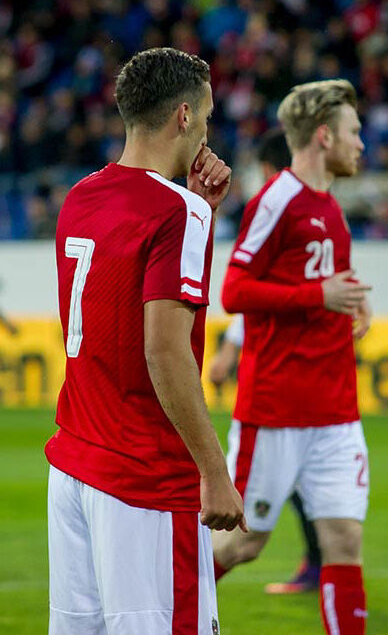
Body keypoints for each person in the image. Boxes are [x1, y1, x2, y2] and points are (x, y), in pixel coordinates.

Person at [45, 47, 246, 635]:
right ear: (184, 116)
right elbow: (163, 351)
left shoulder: (81, 196)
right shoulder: (177, 214)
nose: (208, 129)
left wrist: (197, 210)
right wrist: (214, 470)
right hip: (146, 479)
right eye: (206, 117)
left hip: (76, 465)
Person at [212, 79, 372, 635]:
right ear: (324, 136)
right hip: (276, 411)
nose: (362, 145)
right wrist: (319, 296)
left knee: (343, 543)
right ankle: (165, 617)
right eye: (354, 132)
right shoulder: (276, 199)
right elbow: (234, 290)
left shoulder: (331, 207)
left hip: (335, 413)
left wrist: (350, 304)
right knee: (243, 543)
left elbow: (324, 284)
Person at [208, 130, 323, 595]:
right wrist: (229, 351)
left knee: (328, 513)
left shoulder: (301, 213)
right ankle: (169, 601)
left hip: (305, 394)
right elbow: (244, 296)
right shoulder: (275, 213)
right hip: (273, 397)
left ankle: (319, 574)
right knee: (243, 537)